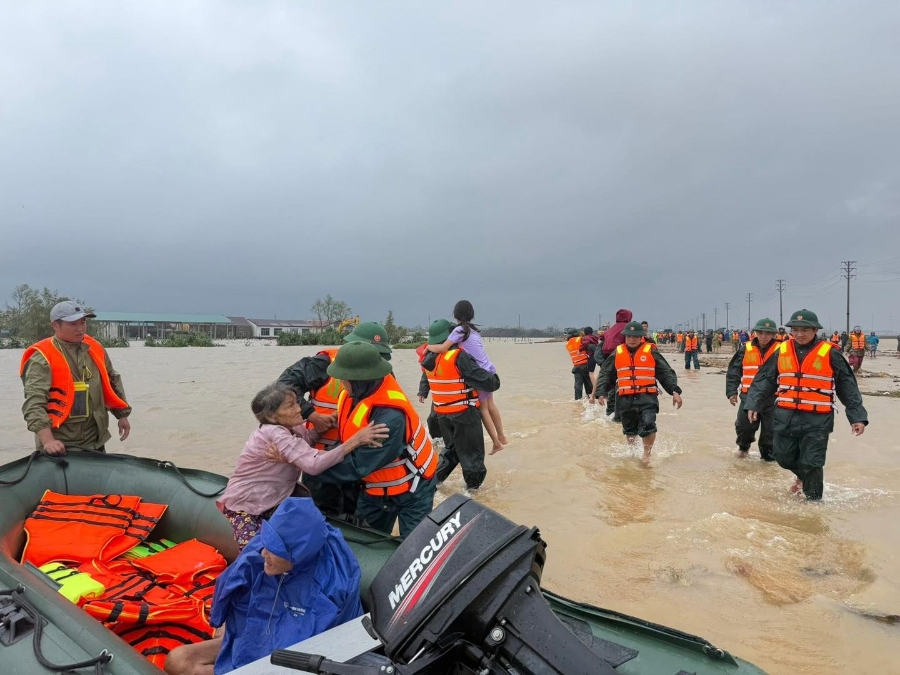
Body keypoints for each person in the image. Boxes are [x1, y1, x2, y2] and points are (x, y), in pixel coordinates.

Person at [164, 498, 363, 675]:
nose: (263, 554)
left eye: (274, 550)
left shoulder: (334, 583)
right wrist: (223, 621)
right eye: (266, 544)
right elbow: (231, 581)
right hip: (250, 637)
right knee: (177, 661)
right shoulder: (262, 548)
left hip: (288, 661)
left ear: (297, 555)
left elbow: (342, 645)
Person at [216, 383, 389, 549]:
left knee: (302, 539)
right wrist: (356, 440)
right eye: (290, 406)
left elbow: (304, 443)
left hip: (275, 501)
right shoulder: (274, 433)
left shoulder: (293, 426)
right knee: (256, 555)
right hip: (246, 506)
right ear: (271, 416)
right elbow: (312, 464)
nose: (299, 409)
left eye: (296, 403)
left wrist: (325, 425)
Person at [315, 342, 437, 537]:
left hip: (413, 489)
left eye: (344, 378)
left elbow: (358, 465)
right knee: (363, 540)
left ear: (360, 380)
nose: (340, 383)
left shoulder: (389, 418)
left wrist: (308, 467)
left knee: (413, 550)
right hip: (374, 489)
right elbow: (346, 442)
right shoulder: (350, 395)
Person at [744, 309, 868, 500]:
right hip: (786, 416)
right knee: (781, 456)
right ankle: (803, 477)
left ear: (815, 330)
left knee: (812, 462)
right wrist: (753, 404)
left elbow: (847, 386)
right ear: (790, 331)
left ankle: (813, 507)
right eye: (795, 329)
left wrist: (857, 416)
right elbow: (764, 380)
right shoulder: (781, 350)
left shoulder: (830, 353)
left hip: (817, 420)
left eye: (805, 330)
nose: (800, 334)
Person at [277, 321, 392, 518]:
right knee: (319, 514)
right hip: (319, 458)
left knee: (352, 516)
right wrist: (311, 414)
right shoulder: (322, 363)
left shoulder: (381, 373)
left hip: (354, 462)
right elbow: (283, 387)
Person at [19, 301, 131, 456]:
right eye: (73, 323)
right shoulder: (42, 358)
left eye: (83, 322)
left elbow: (112, 380)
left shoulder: (95, 348)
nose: (80, 328)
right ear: (55, 326)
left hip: (96, 440)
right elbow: (34, 403)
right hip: (62, 445)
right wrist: (48, 441)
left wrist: (122, 415)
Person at [419, 319, 501, 489]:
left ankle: (431, 484)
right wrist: (495, 379)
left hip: (443, 416)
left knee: (452, 451)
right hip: (464, 414)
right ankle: (473, 493)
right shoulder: (457, 356)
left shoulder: (428, 360)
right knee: (472, 457)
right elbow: (483, 380)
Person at [595, 322, 683, 465]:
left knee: (649, 424)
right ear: (625, 337)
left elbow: (665, 372)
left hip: (647, 397)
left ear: (641, 337)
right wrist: (601, 392)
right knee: (630, 430)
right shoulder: (618, 352)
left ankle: (646, 454)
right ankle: (633, 451)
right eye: (629, 336)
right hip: (625, 398)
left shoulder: (650, 350)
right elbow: (606, 373)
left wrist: (674, 391)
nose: (632, 339)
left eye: (635, 336)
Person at [425, 300, 507, 453]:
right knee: (491, 405)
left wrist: (429, 347)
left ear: (455, 315)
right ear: (471, 315)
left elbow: (443, 348)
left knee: (483, 409)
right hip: (489, 369)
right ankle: (502, 436)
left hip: (479, 374)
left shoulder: (459, 331)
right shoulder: (473, 331)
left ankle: (496, 443)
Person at [726, 318, 780, 460]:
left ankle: (768, 457)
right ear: (756, 333)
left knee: (771, 432)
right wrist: (732, 392)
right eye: (760, 332)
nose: (763, 336)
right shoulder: (746, 348)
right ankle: (743, 448)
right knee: (744, 427)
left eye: (767, 333)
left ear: (774, 334)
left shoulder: (781, 350)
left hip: (772, 398)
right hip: (748, 396)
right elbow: (734, 371)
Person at [589, 309, 633, 419]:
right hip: (622, 360)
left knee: (609, 385)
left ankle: (608, 412)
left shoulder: (610, 329)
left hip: (607, 361)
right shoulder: (627, 328)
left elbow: (602, 341)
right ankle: (618, 417)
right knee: (620, 387)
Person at [563, 328, 593, 400]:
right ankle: (591, 398)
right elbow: (587, 343)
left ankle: (577, 400)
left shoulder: (567, 344)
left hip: (576, 367)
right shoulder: (580, 339)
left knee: (578, 385)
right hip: (585, 365)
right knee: (588, 384)